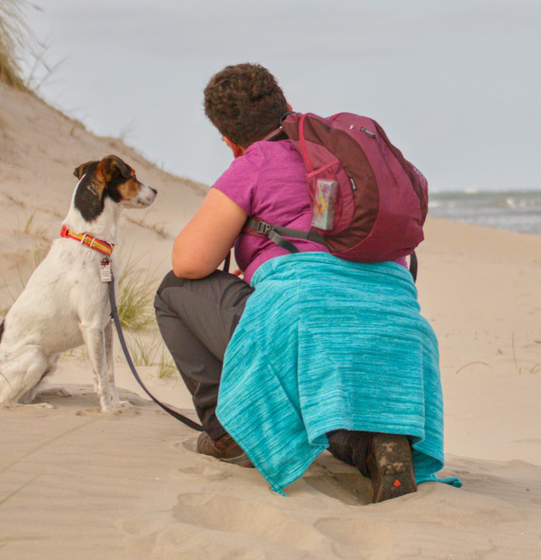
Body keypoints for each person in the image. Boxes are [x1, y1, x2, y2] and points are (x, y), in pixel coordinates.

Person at [154, 63, 452, 503]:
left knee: (172, 291)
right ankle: (374, 445)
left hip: (305, 316)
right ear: (289, 108)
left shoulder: (253, 162)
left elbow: (190, 262)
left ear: (229, 142)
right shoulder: (349, 158)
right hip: (400, 326)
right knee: (311, 315)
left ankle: (228, 434)